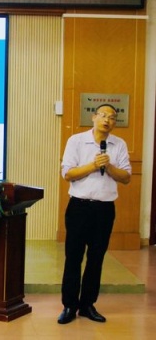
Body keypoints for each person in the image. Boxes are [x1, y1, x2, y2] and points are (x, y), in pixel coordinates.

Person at [57, 103, 131, 324]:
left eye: (112, 117)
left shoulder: (119, 144)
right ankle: (69, 305)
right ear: (94, 117)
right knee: (73, 257)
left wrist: (109, 166)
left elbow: (126, 177)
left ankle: (87, 305)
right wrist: (93, 165)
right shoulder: (76, 141)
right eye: (103, 115)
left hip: (104, 209)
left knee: (96, 258)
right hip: (79, 207)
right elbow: (67, 173)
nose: (107, 120)